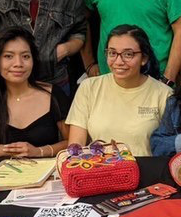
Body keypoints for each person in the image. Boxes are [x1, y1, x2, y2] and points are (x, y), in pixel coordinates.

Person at [0, 26, 69, 161]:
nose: (18, 63)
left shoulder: (53, 95)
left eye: (25, 56)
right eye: (8, 56)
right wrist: (10, 150)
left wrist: (39, 151)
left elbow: (75, 142)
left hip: (48, 178)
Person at [66, 25, 171, 156]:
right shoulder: (89, 87)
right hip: (98, 171)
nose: (118, 61)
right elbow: (76, 147)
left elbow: (169, 148)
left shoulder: (164, 94)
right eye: (112, 53)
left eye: (128, 54)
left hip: (146, 172)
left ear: (144, 58)